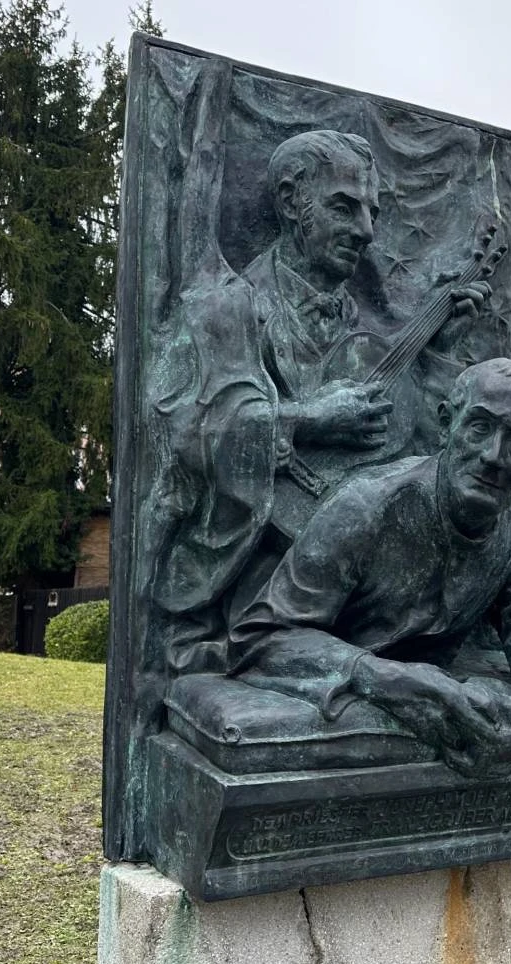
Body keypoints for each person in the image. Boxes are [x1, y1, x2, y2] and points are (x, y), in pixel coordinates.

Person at [146, 129, 491, 675]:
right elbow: (192, 433)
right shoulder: (228, 306)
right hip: (249, 572)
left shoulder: (365, 331)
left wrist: (441, 353)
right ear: (290, 203)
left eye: (371, 211)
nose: (366, 230)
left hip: (357, 573)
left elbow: (423, 449)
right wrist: (309, 419)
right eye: (344, 207)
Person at [230, 358, 511, 777]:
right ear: (447, 424)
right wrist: (384, 677)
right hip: (341, 674)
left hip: (439, 684)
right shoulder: (365, 507)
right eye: (479, 427)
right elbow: (260, 637)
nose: (494, 457)